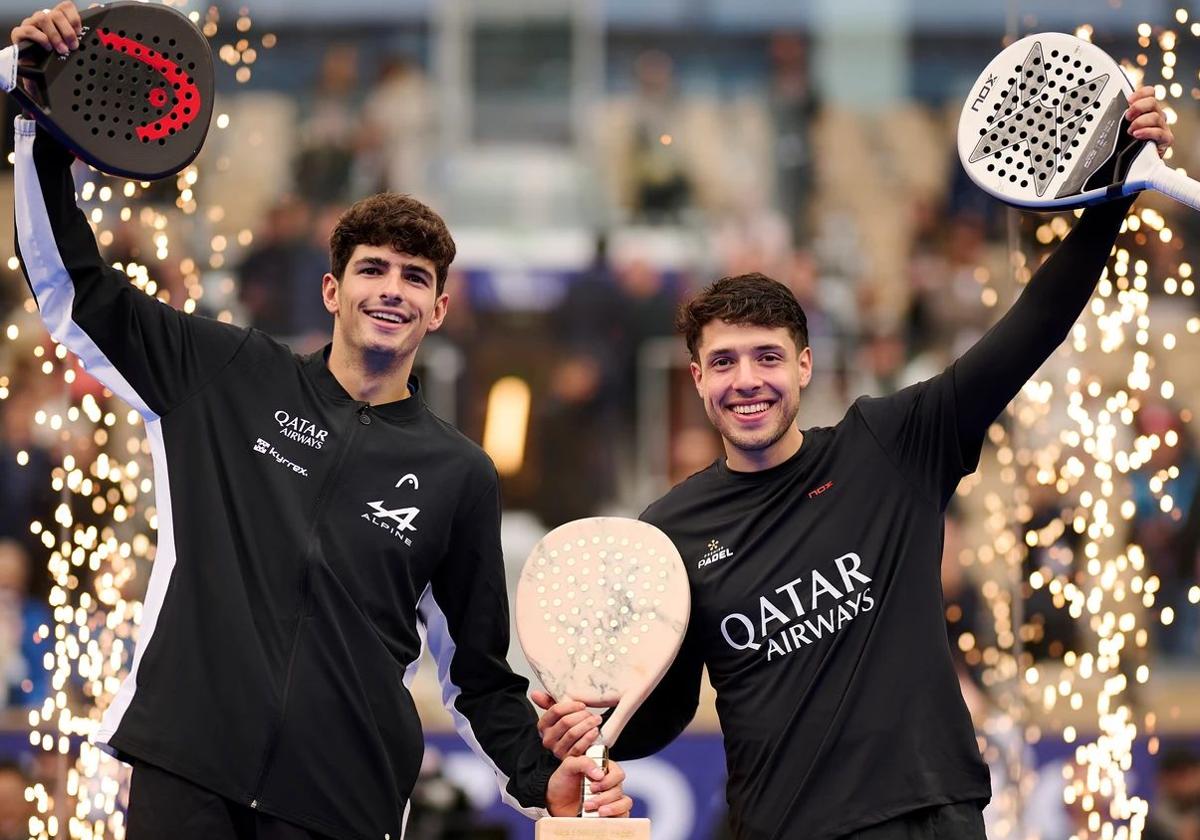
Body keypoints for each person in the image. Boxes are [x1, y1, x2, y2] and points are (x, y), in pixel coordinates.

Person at [7, 4, 630, 839]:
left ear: (439, 309)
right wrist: (39, 122)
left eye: (415, 278)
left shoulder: (458, 473)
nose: (391, 290)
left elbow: (476, 677)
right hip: (187, 768)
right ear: (333, 292)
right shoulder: (226, 376)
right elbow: (74, 289)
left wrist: (539, 778)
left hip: (340, 806)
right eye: (372, 269)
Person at [535, 90, 1173, 837]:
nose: (748, 381)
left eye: (768, 357)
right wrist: (596, 729)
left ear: (805, 366)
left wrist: (1112, 198)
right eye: (725, 363)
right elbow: (665, 710)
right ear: (697, 378)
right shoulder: (669, 529)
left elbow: (1032, 327)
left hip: (931, 816)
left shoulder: (892, 444)